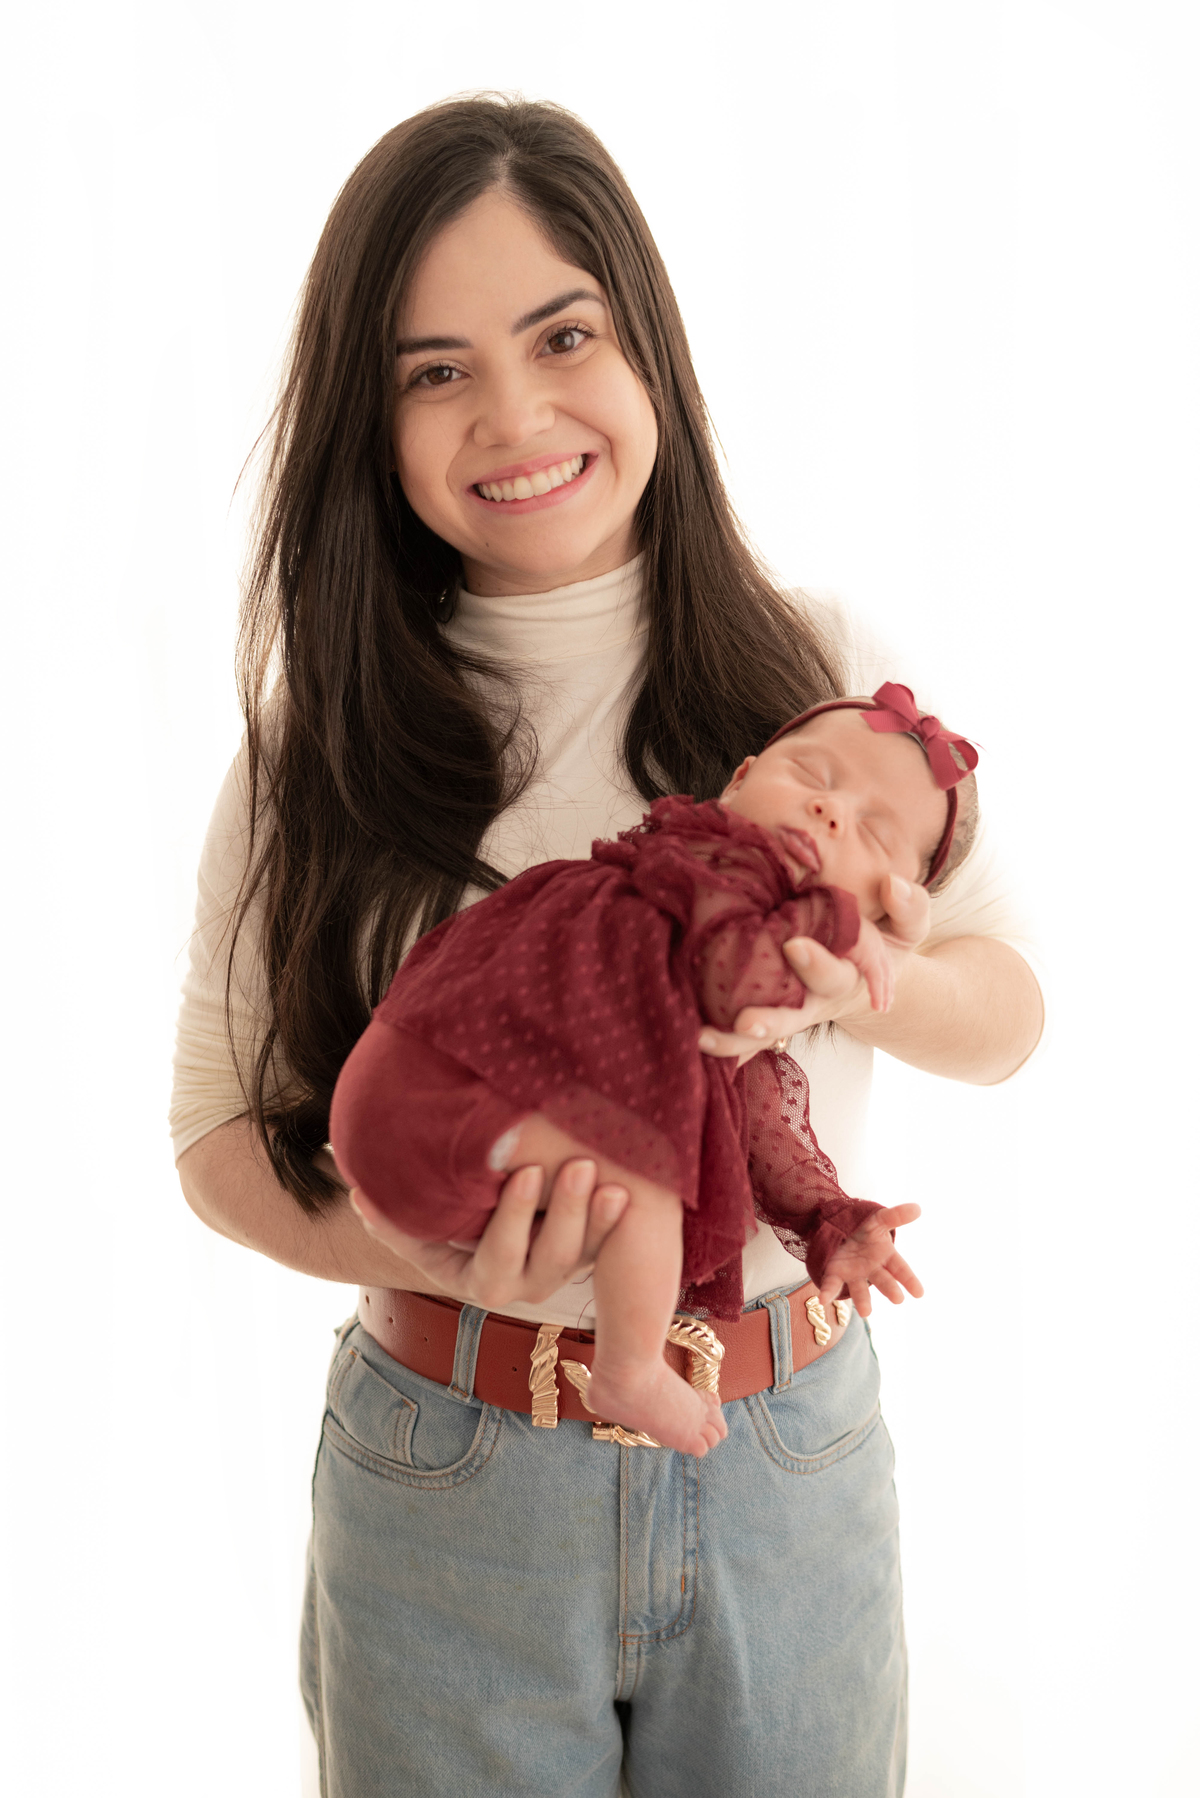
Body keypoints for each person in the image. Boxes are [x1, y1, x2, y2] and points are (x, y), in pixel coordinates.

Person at [172, 95, 1043, 1797]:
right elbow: (214, 1136)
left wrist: (881, 980)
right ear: (375, 414)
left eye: (562, 334)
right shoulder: (317, 743)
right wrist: (425, 1251)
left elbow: (1006, 1011)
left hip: (787, 1448)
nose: (515, 414)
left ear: (645, 341)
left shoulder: (813, 665)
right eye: (435, 370)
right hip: (452, 1474)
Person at [330, 685, 978, 1457]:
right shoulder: (699, 861)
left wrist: (830, 1222)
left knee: (670, 1141)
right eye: (811, 774)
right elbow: (733, 976)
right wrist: (837, 926)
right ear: (737, 782)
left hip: (421, 1117)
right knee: (646, 1183)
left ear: (893, 906)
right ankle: (627, 1369)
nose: (831, 812)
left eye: (873, 834)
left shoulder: (675, 976)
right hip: (439, 1103)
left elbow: (750, 1129)